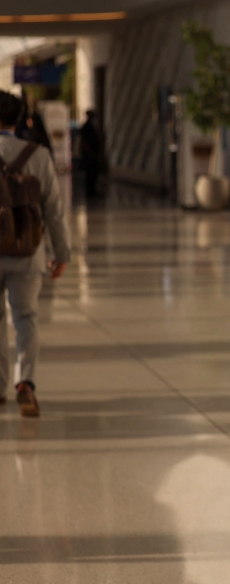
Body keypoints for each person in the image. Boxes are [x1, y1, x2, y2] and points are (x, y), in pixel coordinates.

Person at [0, 90, 70, 417]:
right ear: (20, 120)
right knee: (25, 316)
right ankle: (25, 384)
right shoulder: (38, 155)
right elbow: (54, 210)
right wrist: (63, 252)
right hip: (28, 251)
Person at [79, 109, 104, 197]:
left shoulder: (91, 126)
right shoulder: (87, 126)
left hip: (91, 154)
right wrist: (91, 152)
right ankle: (90, 191)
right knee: (90, 173)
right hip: (89, 155)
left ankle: (92, 190)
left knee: (93, 173)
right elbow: (84, 141)